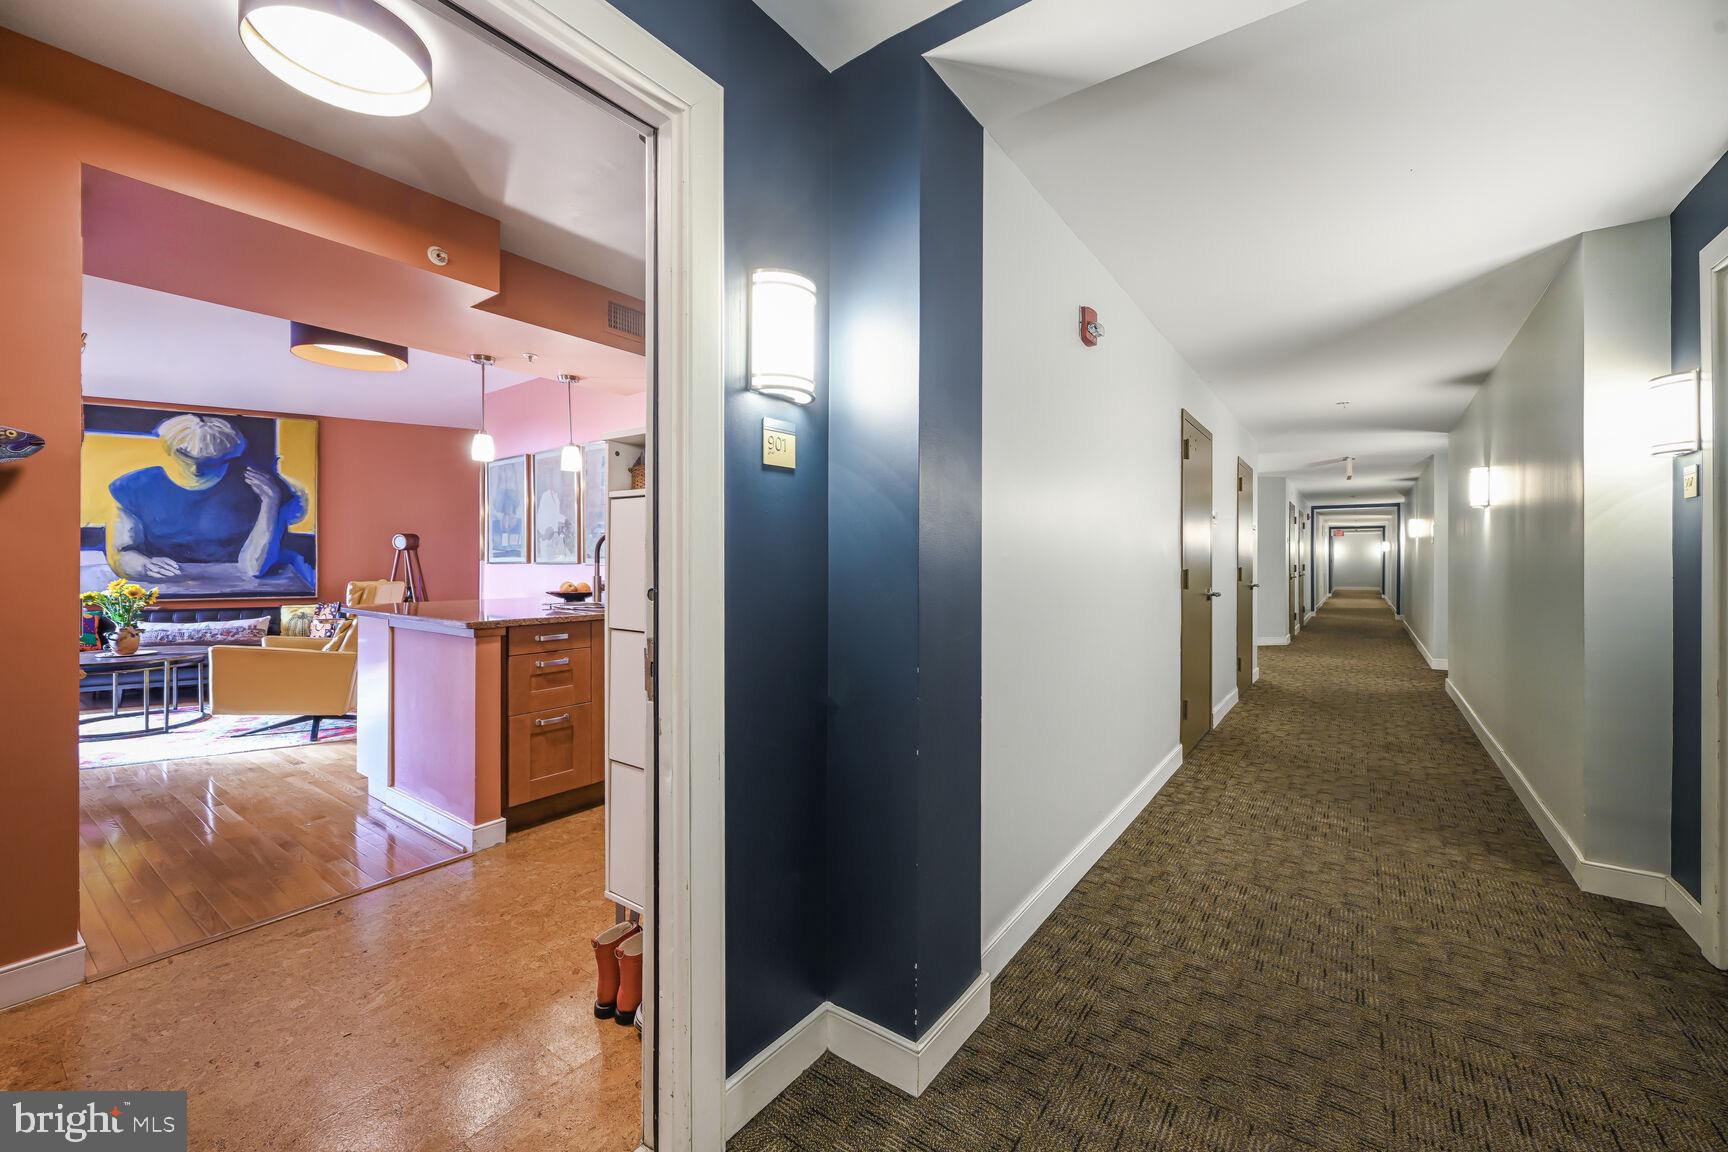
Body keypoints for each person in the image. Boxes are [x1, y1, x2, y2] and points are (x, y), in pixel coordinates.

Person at [108, 414, 311, 588]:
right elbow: (121, 553)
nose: (196, 468)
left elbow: (254, 568)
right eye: (185, 455)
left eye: (211, 459)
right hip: (165, 587)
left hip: (238, 587)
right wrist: (144, 565)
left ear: (228, 454)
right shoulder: (134, 487)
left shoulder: (259, 488)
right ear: (170, 448)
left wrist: (270, 504)